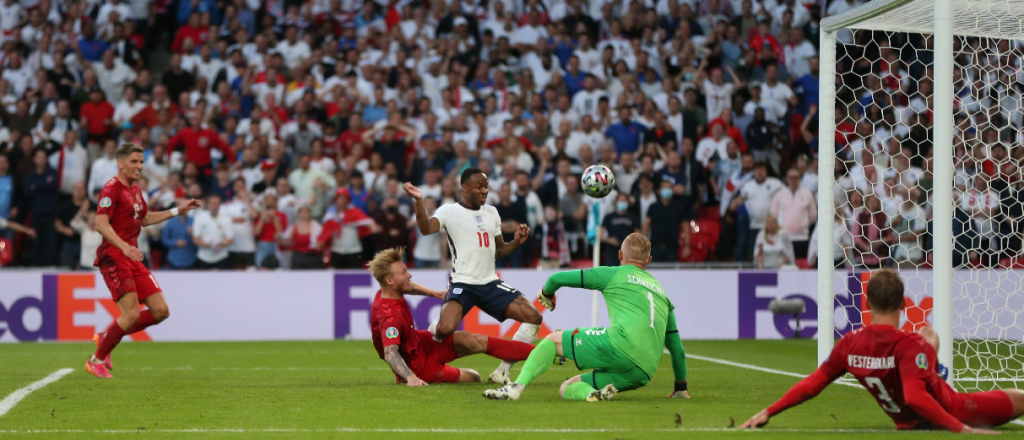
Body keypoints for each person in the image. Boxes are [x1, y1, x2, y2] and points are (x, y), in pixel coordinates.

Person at [740, 270, 1024, 433]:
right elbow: (915, 396)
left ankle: (933, 369)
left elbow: (813, 384)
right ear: (903, 305)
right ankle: (934, 371)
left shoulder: (849, 344)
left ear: (866, 303)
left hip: (902, 420)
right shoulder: (909, 345)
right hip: (955, 408)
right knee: (1019, 397)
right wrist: (962, 428)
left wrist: (769, 410)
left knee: (927, 337)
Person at [484, 233, 689, 401]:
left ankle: (515, 387)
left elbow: (556, 278)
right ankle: (592, 394)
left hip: (621, 345)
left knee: (552, 341)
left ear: (620, 255)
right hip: (643, 371)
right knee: (567, 388)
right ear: (649, 260)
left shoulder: (614, 274)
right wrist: (681, 388)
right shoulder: (663, 294)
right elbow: (677, 350)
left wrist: (547, 294)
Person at [404, 168, 542, 384]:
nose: (484, 190)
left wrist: (515, 242)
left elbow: (499, 250)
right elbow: (425, 228)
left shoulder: (492, 212)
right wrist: (419, 201)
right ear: (465, 187)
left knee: (534, 316)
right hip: (463, 283)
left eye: (486, 186)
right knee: (445, 329)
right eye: (479, 185)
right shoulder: (449, 211)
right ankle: (430, 332)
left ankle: (502, 372)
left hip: (490, 283)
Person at [86, 143, 201, 378]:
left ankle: (107, 337)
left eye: (141, 162)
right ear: (120, 163)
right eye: (134, 162)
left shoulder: (136, 191)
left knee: (160, 311)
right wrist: (124, 246)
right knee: (131, 315)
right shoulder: (111, 189)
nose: (139, 166)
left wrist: (178, 210)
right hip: (115, 256)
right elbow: (101, 223)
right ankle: (96, 359)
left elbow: (145, 220)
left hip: (132, 256)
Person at [369, 247, 534, 385]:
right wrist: (411, 377)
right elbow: (390, 352)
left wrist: (436, 293)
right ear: (390, 281)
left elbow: (409, 287)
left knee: (475, 340)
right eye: (404, 272)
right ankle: (546, 352)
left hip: (422, 342)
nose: (409, 275)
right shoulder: (389, 316)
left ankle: (544, 352)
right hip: (420, 367)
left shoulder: (387, 292)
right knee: (474, 377)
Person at [192, 193, 234, 270]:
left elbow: (230, 239)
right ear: (208, 204)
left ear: (220, 205)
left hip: (221, 256)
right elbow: (195, 239)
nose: (214, 206)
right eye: (212, 204)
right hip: (204, 257)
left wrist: (220, 244)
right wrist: (206, 244)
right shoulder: (199, 218)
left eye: (217, 204)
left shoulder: (226, 219)